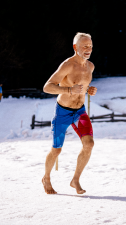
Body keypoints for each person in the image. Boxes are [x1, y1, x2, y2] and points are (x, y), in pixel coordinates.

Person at [42, 32, 97, 194]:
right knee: (56, 149)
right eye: (85, 46)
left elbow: (83, 86)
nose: (88, 49)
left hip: (80, 112)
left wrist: (90, 90)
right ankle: (46, 178)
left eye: (91, 46)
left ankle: (75, 180)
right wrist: (68, 89)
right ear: (75, 47)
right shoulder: (67, 65)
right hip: (63, 112)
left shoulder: (90, 66)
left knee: (89, 144)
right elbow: (47, 87)